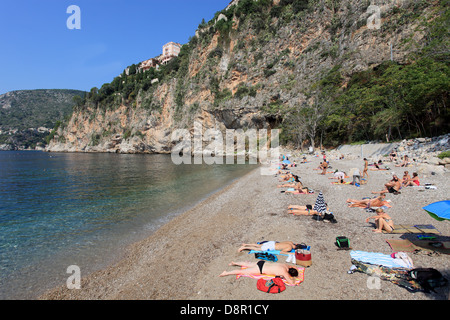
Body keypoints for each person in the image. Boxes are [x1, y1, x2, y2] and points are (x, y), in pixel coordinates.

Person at [219, 261, 299, 285]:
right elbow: (291, 282)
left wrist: (294, 268)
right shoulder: (284, 272)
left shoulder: (285, 265)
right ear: (289, 274)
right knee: (242, 272)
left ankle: (234, 263)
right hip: (260, 269)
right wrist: (294, 279)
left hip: (262, 263)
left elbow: (293, 267)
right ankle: (226, 273)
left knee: (247, 264)